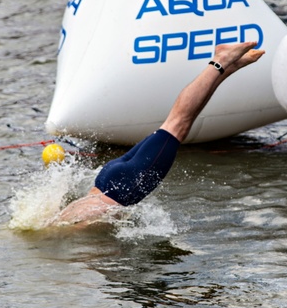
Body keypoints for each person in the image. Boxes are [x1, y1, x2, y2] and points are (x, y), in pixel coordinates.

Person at [52, 40, 265, 225]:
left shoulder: (68, 228)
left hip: (125, 186)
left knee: (177, 123)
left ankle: (220, 60)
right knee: (179, 121)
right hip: (107, 179)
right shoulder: (55, 222)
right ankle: (227, 67)